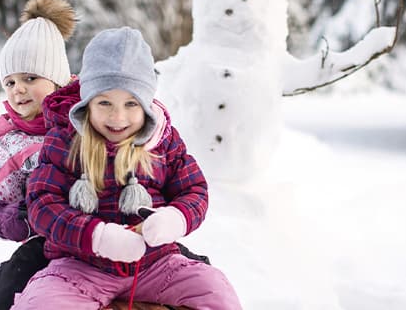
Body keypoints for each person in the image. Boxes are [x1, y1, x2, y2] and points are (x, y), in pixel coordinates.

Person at [15, 27, 241, 309]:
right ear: (88, 103)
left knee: (215, 292)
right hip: (80, 266)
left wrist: (175, 217)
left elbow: (194, 190)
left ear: (146, 106)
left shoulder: (163, 142)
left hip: (156, 265)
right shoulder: (64, 140)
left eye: (131, 104)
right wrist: (97, 236)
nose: (117, 117)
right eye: (105, 102)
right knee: (39, 304)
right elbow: (42, 205)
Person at [0, 0, 76, 310]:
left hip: (106, 230)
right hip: (46, 243)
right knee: (10, 280)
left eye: (30, 78)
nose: (18, 89)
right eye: (10, 81)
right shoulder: (11, 144)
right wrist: (22, 218)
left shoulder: (91, 120)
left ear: (57, 80)